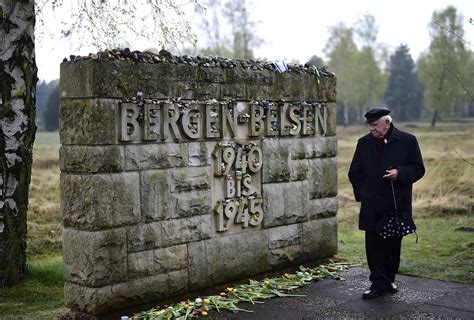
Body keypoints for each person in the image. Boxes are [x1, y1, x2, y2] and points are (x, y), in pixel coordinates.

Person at [348, 107, 425, 299]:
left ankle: (389, 279)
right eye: (370, 125)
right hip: (371, 205)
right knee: (373, 245)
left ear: (387, 123)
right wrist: (364, 193)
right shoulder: (363, 143)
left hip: (396, 205)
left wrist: (400, 173)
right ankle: (378, 283)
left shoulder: (408, 140)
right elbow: (354, 173)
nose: (372, 129)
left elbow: (418, 169)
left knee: (393, 245)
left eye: (375, 125)